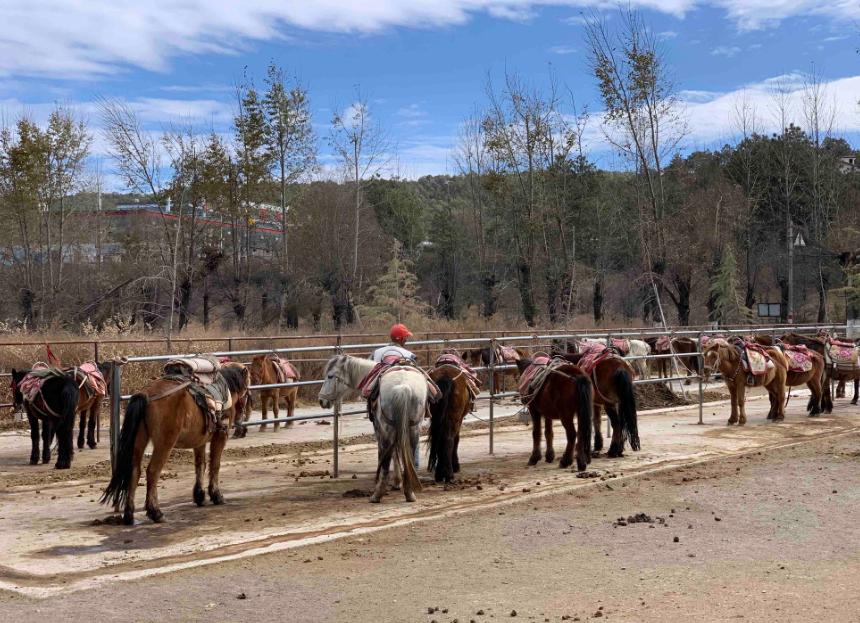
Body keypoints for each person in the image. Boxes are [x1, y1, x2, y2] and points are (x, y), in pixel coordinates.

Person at [368, 324, 420, 471]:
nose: (407, 340)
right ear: (401, 339)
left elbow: (369, 371)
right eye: (406, 338)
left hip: (384, 394)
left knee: (371, 388)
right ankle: (413, 470)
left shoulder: (376, 353)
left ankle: (383, 471)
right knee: (413, 432)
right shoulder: (409, 354)